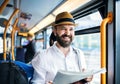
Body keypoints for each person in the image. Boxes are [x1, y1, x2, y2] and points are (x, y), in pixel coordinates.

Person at [31, 11, 93, 84]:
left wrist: (86, 79)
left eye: (71, 29)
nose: (67, 33)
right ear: (55, 31)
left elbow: (83, 77)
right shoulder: (42, 56)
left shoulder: (79, 54)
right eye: (63, 29)